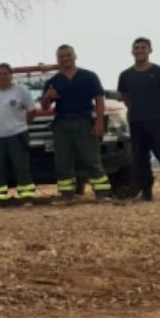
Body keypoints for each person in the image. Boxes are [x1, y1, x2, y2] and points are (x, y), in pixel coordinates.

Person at [42, 44, 113, 205]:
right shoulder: (53, 82)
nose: (65, 58)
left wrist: (99, 122)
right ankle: (67, 196)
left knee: (91, 159)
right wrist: (47, 96)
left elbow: (99, 99)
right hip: (61, 123)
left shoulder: (89, 76)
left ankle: (103, 194)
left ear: (75, 56)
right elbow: (45, 106)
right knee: (63, 161)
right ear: (57, 60)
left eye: (68, 55)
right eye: (61, 56)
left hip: (84, 121)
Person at [118, 37, 160, 201]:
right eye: (136, 48)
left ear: (150, 50)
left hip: (156, 121)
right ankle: (146, 191)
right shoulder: (125, 75)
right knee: (139, 158)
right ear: (132, 52)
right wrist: (135, 110)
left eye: (143, 48)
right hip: (136, 122)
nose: (139, 51)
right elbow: (125, 96)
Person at [0, 63, 37, 207]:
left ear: (11, 75)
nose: (2, 76)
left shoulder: (21, 91)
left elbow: (32, 111)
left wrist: (23, 125)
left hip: (17, 135)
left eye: (5, 73)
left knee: (21, 167)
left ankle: (27, 197)